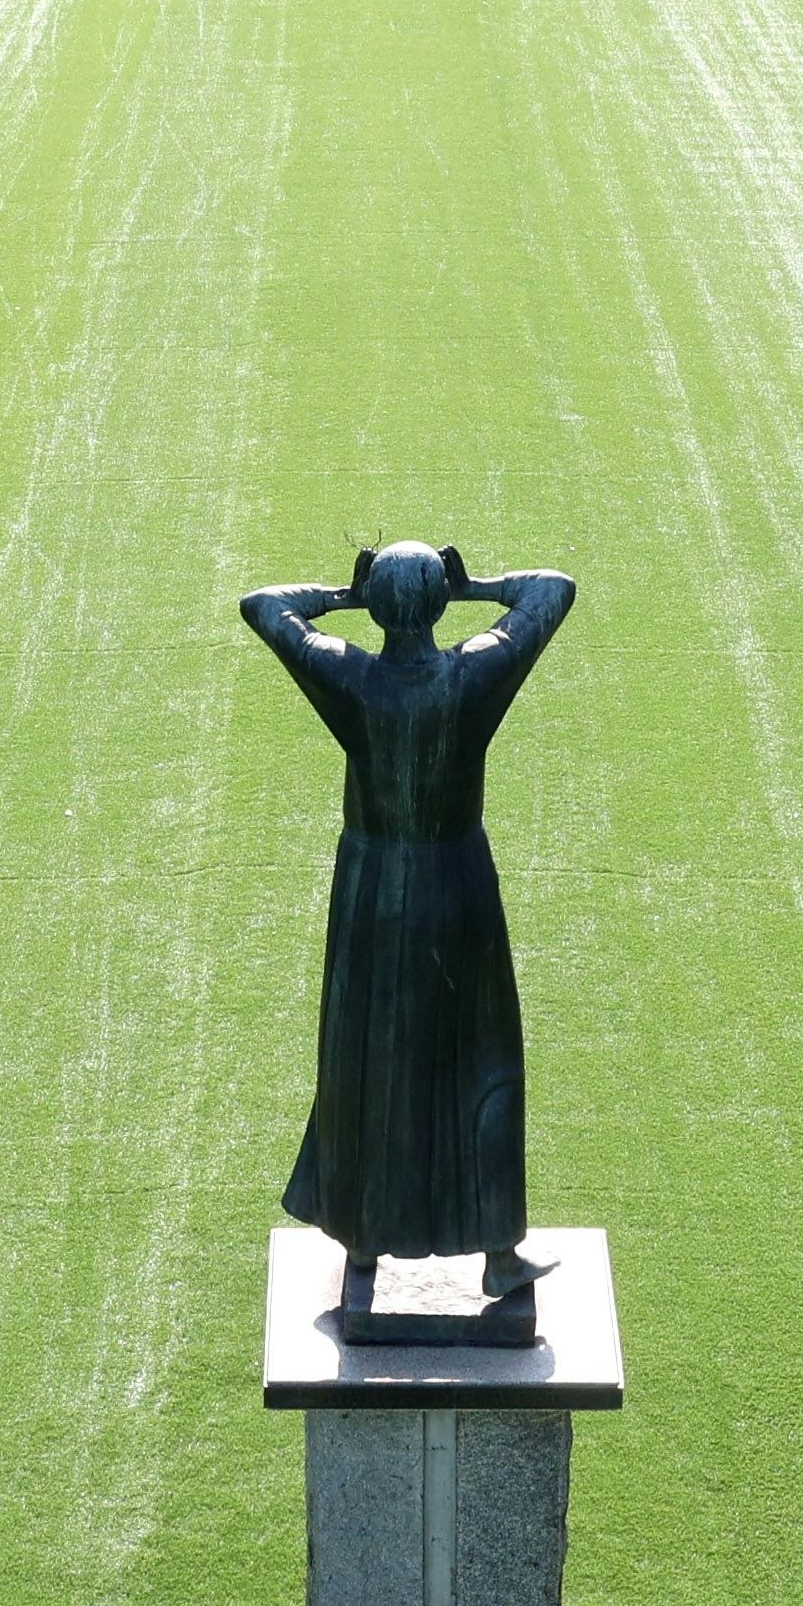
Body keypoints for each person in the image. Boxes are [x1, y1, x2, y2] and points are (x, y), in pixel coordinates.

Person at [241, 543, 577, 1331]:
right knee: (482, 1064)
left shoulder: (351, 677)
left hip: (370, 895)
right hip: (456, 890)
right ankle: (497, 1252)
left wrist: (342, 595)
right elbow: (553, 590)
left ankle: (361, 1254)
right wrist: (477, 587)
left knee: (367, 1063)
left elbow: (263, 604)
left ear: (381, 605)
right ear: (435, 604)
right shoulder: (473, 673)